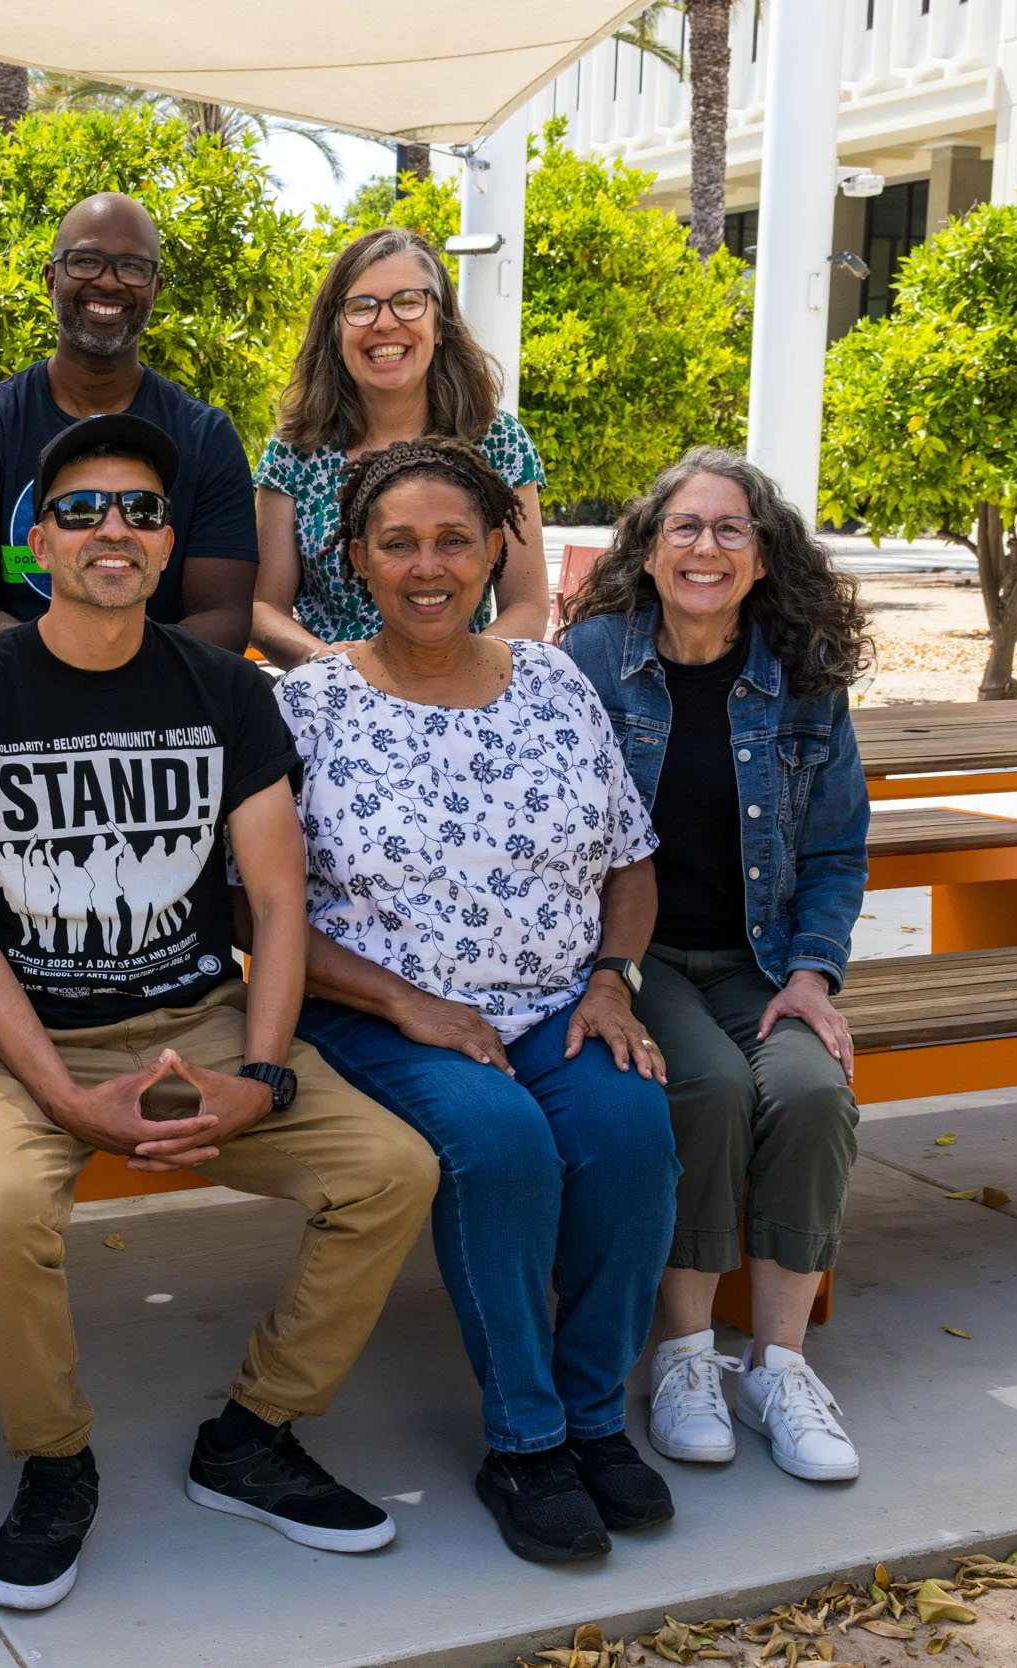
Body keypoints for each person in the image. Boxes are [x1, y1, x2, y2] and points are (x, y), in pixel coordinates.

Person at [0, 414, 437, 1613]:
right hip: (26, 1037)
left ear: (170, 541)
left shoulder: (224, 694)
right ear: (39, 544)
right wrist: (64, 1096)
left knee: (390, 1171)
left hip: (200, 1021)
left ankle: (253, 1435)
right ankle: (54, 1459)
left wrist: (263, 1073)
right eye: (81, 511)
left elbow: (278, 904)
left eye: (136, 508)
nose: (112, 530)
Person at [277, 437, 681, 1566]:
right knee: (501, 1146)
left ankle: (596, 1415)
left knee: (631, 1127)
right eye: (398, 543)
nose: (428, 566)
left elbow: (629, 861)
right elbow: (255, 911)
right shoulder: (308, 706)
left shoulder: (553, 682)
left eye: (454, 540)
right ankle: (528, 1440)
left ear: (498, 548)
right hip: (377, 1010)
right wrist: (404, 1003)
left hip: (556, 999)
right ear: (356, 559)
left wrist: (611, 980)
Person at [559, 447, 871, 1486]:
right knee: (702, 1085)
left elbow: (833, 849)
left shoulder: (801, 676)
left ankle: (777, 1365)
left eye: (730, 528)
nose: (705, 546)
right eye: (683, 528)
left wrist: (813, 977)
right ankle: (685, 1357)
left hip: (760, 959)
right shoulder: (593, 659)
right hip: (632, 958)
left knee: (812, 1092)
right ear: (646, 553)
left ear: (762, 556)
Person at [0, 192, 258, 660]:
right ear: (51, 277)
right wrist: (69, 675)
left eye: (133, 267)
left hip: (160, 709)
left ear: (156, 289)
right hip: (8, 702)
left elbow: (225, 616)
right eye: (85, 261)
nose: (109, 282)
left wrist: (118, 678)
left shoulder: (206, 438)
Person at [251, 227, 551, 666]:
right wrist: (325, 661)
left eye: (408, 302)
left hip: (461, 699)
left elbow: (527, 605)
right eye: (361, 307)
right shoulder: (294, 452)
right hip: (336, 699)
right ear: (335, 331)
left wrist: (458, 668)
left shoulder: (497, 441)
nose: (385, 322)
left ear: (440, 324)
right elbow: (263, 608)